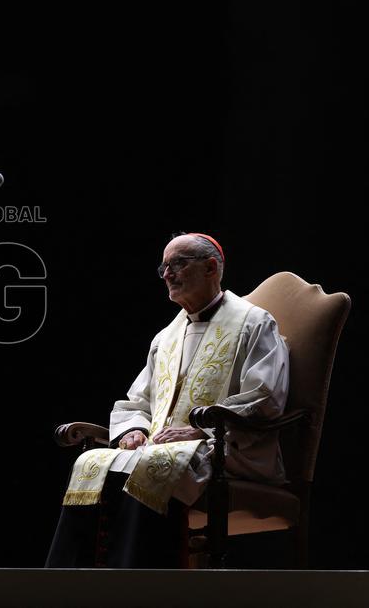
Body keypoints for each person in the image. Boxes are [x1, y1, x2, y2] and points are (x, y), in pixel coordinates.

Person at [45, 232, 289, 568]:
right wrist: (134, 428)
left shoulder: (254, 323)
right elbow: (138, 401)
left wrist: (200, 432)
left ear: (210, 268)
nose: (167, 274)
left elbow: (265, 397)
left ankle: (141, 585)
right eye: (164, 267)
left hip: (228, 448)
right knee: (92, 463)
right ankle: (68, 588)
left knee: (152, 467)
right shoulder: (167, 337)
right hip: (164, 447)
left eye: (177, 263)